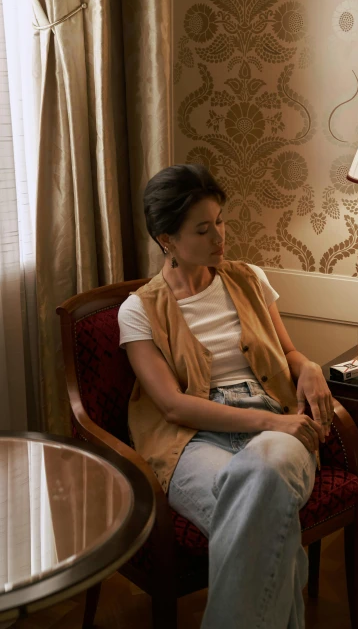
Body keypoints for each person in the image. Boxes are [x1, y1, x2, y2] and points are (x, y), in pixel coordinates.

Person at [118, 164, 335, 629]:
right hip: (190, 439)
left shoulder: (250, 279)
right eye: (202, 228)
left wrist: (310, 367)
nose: (219, 236)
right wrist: (275, 424)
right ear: (166, 239)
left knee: (263, 476)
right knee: (271, 532)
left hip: (271, 418)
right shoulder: (137, 310)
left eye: (220, 220)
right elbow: (173, 405)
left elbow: (289, 350)